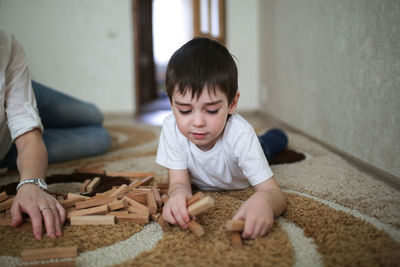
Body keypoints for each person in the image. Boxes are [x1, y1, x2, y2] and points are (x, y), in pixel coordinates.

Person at [156, 37, 287, 239]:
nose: (198, 122)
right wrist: (178, 194)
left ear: (232, 104)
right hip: (233, 153)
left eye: (211, 110)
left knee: (267, 146)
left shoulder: (241, 134)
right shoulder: (171, 128)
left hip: (243, 158)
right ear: (172, 104)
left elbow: (274, 193)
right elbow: (179, 183)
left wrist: (265, 201)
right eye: (184, 110)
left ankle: (276, 135)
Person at [0, 31, 111, 239]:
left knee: (94, 115)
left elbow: (27, 134)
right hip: (7, 150)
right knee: (102, 138)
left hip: (20, 95)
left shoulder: (5, 45)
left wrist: (31, 183)